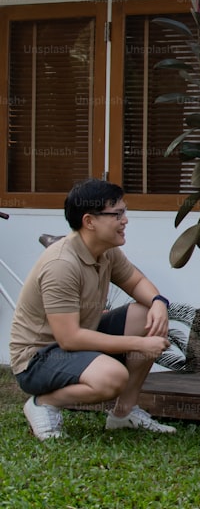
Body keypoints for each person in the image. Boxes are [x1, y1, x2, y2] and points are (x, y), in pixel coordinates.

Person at [8, 179, 177, 440]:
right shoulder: (61, 264)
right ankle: (44, 403)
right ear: (89, 222)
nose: (125, 220)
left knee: (146, 315)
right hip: (38, 358)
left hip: (77, 342)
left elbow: (136, 281)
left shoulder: (105, 251)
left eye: (125, 212)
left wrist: (158, 302)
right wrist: (138, 345)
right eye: (117, 214)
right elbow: (69, 338)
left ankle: (123, 414)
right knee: (112, 377)